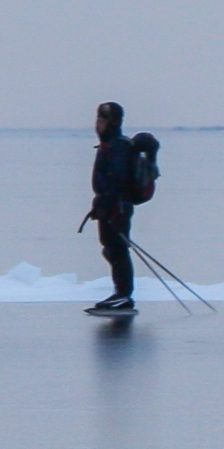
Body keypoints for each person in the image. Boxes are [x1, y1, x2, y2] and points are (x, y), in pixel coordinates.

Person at [84, 101, 141, 314]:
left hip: (118, 208)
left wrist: (107, 202)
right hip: (110, 206)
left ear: (114, 122)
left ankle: (124, 295)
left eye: (102, 120)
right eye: (98, 120)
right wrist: (99, 203)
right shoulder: (108, 145)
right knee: (111, 248)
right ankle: (121, 293)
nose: (98, 124)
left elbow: (117, 180)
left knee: (117, 248)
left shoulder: (118, 146)